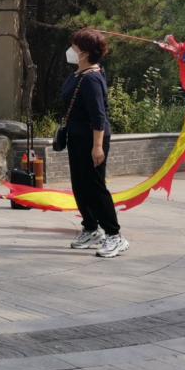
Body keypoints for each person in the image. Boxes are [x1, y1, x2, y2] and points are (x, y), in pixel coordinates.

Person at [62, 30, 128, 258]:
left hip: (92, 139)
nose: (70, 50)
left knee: (95, 186)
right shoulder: (79, 74)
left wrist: (97, 146)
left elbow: (98, 115)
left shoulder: (91, 78)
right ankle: (91, 228)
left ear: (84, 53)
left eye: (74, 47)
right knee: (80, 185)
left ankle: (114, 235)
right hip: (77, 137)